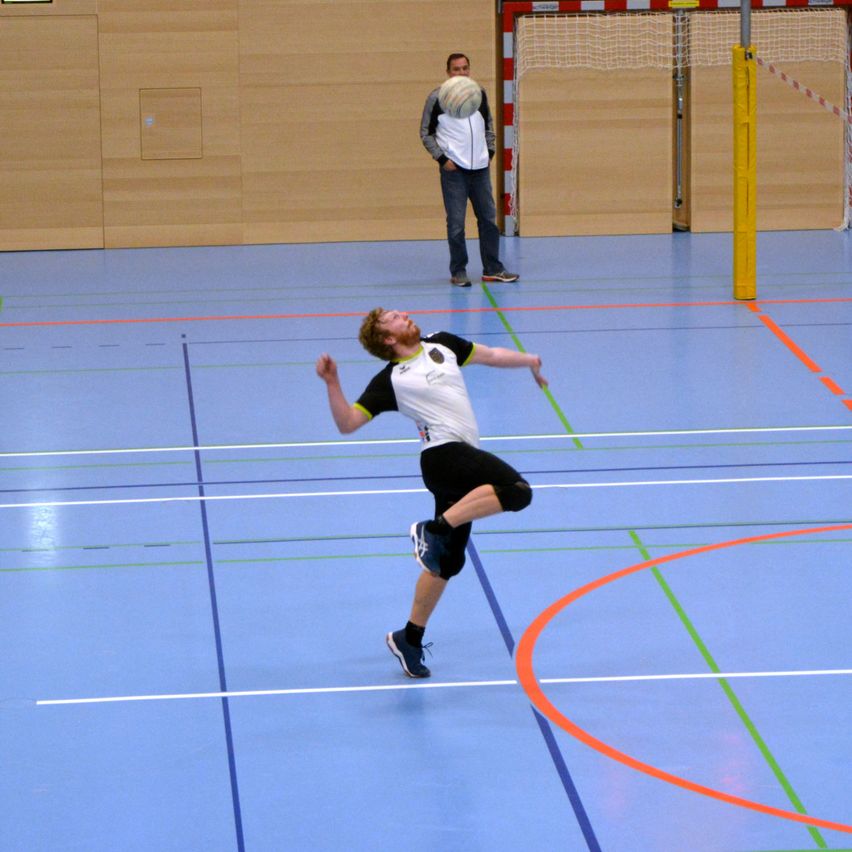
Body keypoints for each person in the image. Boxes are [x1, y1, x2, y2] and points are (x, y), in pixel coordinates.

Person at [315, 307, 547, 678]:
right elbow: (348, 423)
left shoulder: (442, 343)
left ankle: (409, 638)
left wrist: (529, 360)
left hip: (463, 459)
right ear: (388, 339)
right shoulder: (390, 380)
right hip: (442, 456)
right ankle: (432, 529)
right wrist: (332, 382)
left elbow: (490, 355)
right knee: (516, 491)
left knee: (446, 563)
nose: (403, 315)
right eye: (393, 318)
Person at [420, 53, 520, 288]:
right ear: (448, 72)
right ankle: (459, 271)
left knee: (488, 220)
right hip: (454, 171)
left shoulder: (479, 94)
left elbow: (488, 126)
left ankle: (493, 269)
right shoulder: (437, 98)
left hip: (480, 170)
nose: (461, 72)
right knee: (456, 224)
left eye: (465, 68)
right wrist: (442, 159)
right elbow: (426, 133)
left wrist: (489, 152)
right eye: (456, 69)